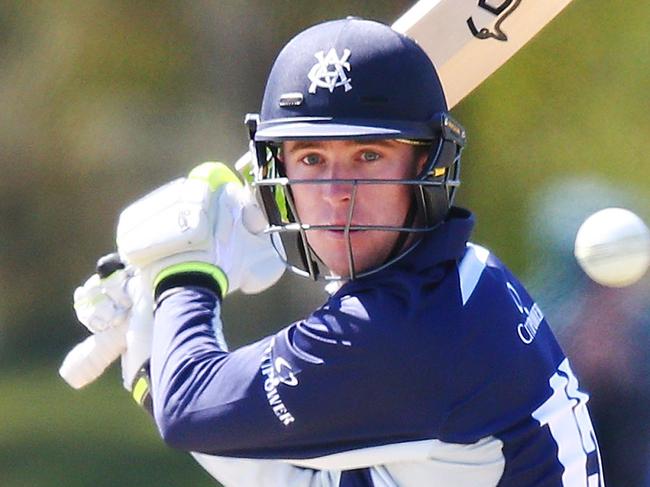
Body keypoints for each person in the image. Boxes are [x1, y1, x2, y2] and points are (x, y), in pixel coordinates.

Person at [72, 18, 604, 486]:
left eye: (369, 154)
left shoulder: (402, 332)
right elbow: (297, 472)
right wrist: (154, 362)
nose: (335, 192)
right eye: (310, 158)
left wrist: (183, 278)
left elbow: (192, 409)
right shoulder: (468, 276)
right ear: (276, 172)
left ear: (427, 166)